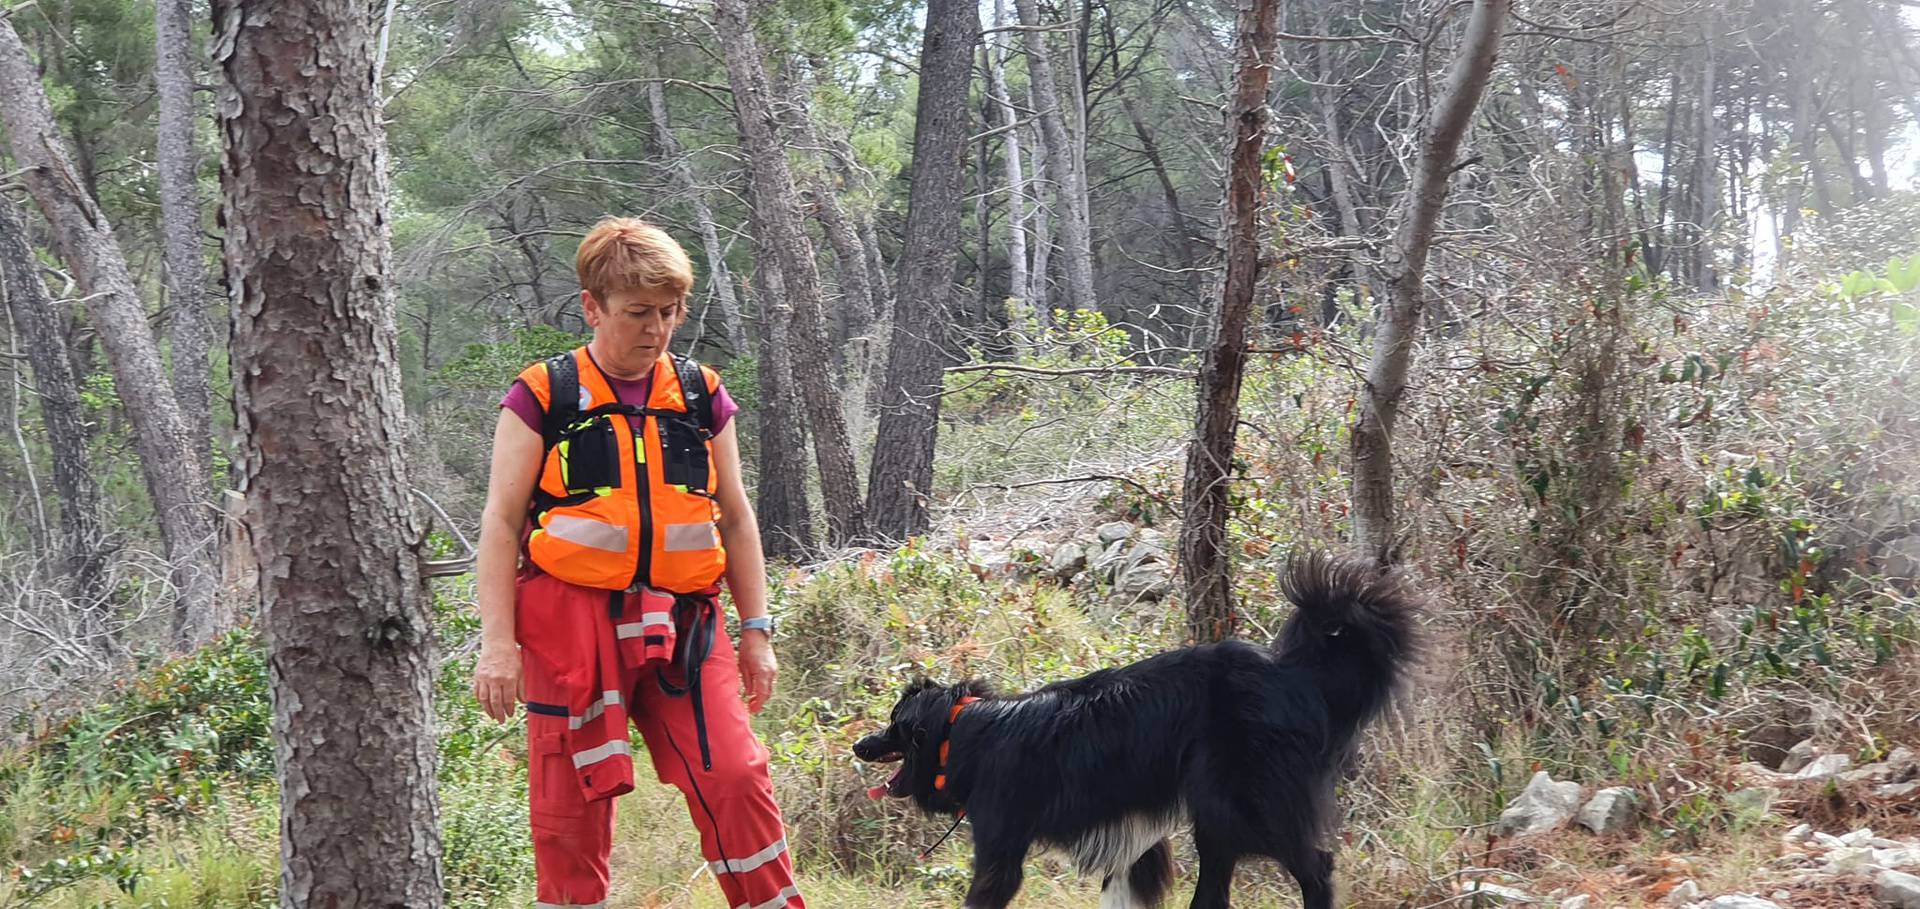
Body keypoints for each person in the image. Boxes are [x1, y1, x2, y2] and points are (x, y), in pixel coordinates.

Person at [471, 217, 805, 909]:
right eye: (638, 313)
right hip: (569, 628)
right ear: (593, 306)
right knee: (569, 810)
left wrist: (758, 630)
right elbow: (501, 524)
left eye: (670, 312)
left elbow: (736, 517)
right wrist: (496, 646)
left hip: (687, 624)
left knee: (736, 774)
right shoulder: (542, 395)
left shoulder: (699, 392)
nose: (656, 329)